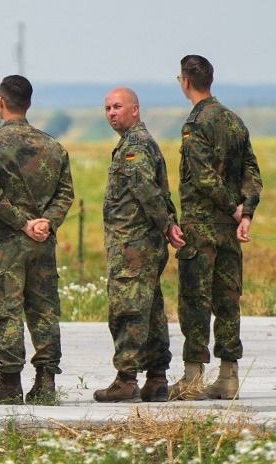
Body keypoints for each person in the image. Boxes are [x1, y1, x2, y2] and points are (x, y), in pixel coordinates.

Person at [0, 75, 74, 405]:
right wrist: (46, 222)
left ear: (1, 102)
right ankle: (46, 383)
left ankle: (9, 383)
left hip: (7, 243)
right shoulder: (52, 145)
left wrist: (23, 222)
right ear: (28, 103)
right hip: (43, 242)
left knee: (7, 310)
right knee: (44, 310)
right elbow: (65, 193)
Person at [170, 55, 262, 401]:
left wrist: (235, 208)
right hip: (229, 231)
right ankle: (228, 376)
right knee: (227, 301)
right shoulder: (234, 120)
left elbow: (204, 177)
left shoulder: (196, 124)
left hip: (202, 227)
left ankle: (193, 377)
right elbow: (252, 172)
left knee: (195, 300)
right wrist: (246, 210)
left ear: (185, 82)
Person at [93, 87, 183, 403]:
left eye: (118, 106)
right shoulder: (138, 143)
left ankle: (126, 379)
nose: (111, 113)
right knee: (152, 310)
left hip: (133, 245)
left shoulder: (135, 146)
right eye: (107, 108)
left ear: (135, 109)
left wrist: (167, 224)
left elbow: (146, 189)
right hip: (141, 243)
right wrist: (167, 223)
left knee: (127, 309)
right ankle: (157, 378)